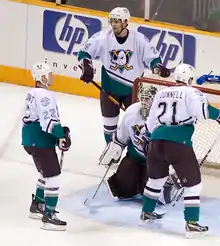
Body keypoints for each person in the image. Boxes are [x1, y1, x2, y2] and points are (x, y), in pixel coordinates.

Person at [141, 63, 220, 237]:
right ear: (189, 79)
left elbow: (149, 123)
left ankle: (146, 212)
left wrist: (149, 138)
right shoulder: (192, 92)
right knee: (193, 184)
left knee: (156, 179)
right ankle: (191, 223)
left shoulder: (161, 93)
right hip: (178, 142)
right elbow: (203, 110)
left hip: (156, 140)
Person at [78, 7, 170, 144]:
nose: (114, 24)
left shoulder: (139, 39)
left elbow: (153, 59)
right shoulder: (103, 37)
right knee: (109, 127)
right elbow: (84, 52)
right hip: (109, 89)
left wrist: (158, 68)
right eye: (112, 21)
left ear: (126, 22)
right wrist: (86, 66)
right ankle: (111, 152)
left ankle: (135, 155)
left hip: (132, 91)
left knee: (137, 125)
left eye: (117, 21)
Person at [99, 86, 178, 205]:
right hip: (134, 158)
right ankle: (136, 182)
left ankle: (168, 185)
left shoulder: (165, 118)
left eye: (148, 100)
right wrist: (114, 149)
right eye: (143, 99)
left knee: (151, 195)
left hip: (155, 162)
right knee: (122, 190)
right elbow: (121, 137)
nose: (145, 103)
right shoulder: (132, 112)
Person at [21, 63, 71, 231]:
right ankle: (49, 216)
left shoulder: (31, 93)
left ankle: (37, 205)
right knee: (54, 176)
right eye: (49, 74)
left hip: (30, 140)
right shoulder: (45, 95)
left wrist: (57, 136)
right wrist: (61, 136)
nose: (52, 77)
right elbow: (48, 121)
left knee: (45, 173)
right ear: (42, 78)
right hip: (39, 140)